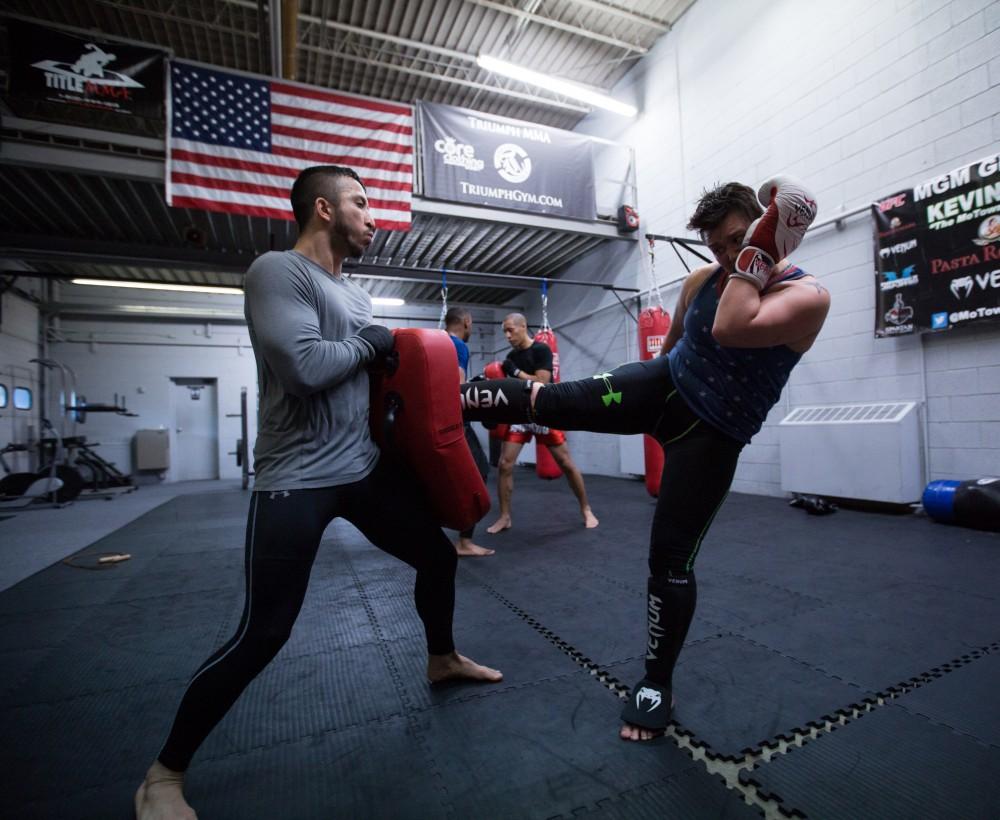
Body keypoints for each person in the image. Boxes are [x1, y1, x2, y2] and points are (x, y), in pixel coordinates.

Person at [135, 165, 502, 820]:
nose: (372, 215)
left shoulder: (355, 297)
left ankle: (441, 658)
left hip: (360, 469)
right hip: (295, 478)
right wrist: (370, 343)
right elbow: (304, 370)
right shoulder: (277, 273)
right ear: (325, 210)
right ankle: (164, 773)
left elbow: (368, 380)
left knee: (439, 557)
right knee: (264, 632)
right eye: (360, 203)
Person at [459, 176, 829, 742]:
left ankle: (658, 680)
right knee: (553, 399)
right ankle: (438, 399)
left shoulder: (808, 297)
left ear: (764, 228)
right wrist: (639, 396)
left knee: (669, 561)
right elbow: (681, 344)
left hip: (711, 437)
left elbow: (732, 327)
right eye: (719, 246)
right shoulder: (705, 280)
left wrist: (762, 251)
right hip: (664, 388)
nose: (728, 256)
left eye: (738, 239)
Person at [486, 312, 599, 533]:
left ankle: (586, 509)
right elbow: (513, 387)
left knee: (565, 463)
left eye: (511, 330)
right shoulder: (511, 356)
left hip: (545, 412)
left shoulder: (541, 349)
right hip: (521, 414)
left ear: (523, 326)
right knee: (504, 465)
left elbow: (541, 382)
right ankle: (504, 517)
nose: (507, 336)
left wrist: (515, 372)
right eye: (504, 332)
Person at [444, 305, 494, 557]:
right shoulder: (458, 346)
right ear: (466, 321)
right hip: (455, 422)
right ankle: (464, 541)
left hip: (431, 422)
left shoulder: (436, 343)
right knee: (480, 472)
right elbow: (458, 387)